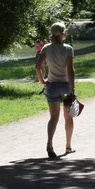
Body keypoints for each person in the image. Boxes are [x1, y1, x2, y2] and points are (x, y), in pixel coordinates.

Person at [35, 22, 75, 158]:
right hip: (65, 85)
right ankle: (68, 146)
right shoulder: (68, 49)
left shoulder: (46, 48)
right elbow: (70, 70)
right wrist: (72, 88)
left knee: (53, 117)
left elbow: (37, 66)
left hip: (51, 86)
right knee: (68, 117)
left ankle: (50, 144)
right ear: (63, 34)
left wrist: (42, 80)